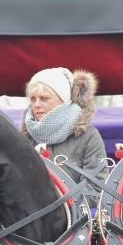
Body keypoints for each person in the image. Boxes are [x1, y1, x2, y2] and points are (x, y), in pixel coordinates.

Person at [20, 67, 107, 207]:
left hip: (75, 223)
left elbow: (96, 189)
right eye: (33, 99)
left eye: (44, 99)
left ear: (64, 101)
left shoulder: (88, 136)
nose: (36, 105)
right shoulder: (22, 139)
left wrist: (56, 204)